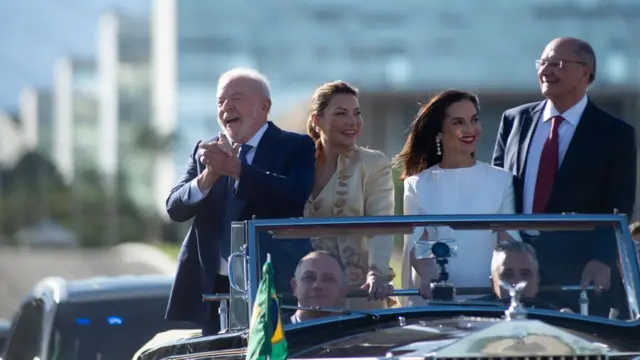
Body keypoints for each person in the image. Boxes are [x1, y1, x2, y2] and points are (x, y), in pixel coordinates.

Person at [164, 68, 316, 335]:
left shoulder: (295, 146)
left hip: (271, 282)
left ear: (264, 106)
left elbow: (293, 197)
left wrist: (238, 171)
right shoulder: (207, 151)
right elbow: (175, 208)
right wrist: (209, 176)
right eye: (220, 102)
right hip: (215, 286)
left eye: (236, 99)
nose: (226, 107)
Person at [491, 37, 636, 300]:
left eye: (556, 64)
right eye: (542, 63)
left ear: (585, 72)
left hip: (578, 271)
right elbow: (497, 191)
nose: (545, 71)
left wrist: (600, 258)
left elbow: (618, 203)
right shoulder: (515, 120)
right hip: (514, 267)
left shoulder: (615, 133)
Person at [396, 90, 520, 305]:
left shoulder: (502, 180)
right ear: (439, 133)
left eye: (474, 120)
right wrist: (429, 276)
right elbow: (419, 241)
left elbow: (507, 239)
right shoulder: (417, 185)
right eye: (458, 122)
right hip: (435, 300)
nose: (470, 130)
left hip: (489, 298)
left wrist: (505, 280)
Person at [304, 80, 396, 310]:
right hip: (305, 294)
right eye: (341, 113)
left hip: (360, 291)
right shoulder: (297, 161)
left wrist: (377, 273)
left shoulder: (373, 163)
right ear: (317, 121)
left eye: (356, 113)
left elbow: (382, 224)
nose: (352, 122)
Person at [288, 251, 349, 324]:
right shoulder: (273, 332)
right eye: (309, 277)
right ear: (294, 286)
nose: (317, 285)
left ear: (343, 290)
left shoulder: (361, 332)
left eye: (328, 279)